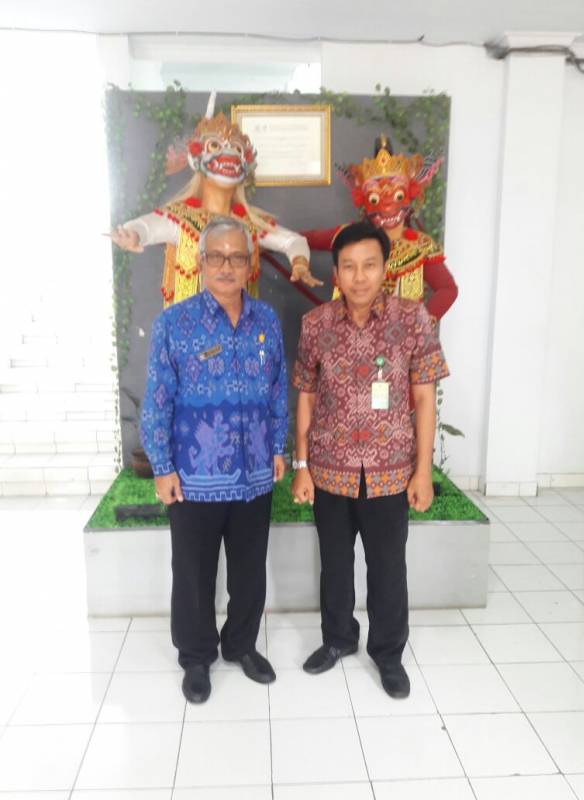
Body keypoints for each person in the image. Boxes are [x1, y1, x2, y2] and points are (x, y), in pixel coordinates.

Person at [291, 221, 449, 698]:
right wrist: (302, 466)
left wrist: (422, 471)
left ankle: (388, 653)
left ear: (385, 268)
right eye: (349, 266)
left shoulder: (414, 319)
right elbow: (306, 397)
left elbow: (424, 399)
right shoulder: (315, 325)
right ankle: (338, 639)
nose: (359, 277)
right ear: (336, 272)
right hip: (330, 470)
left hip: (390, 472)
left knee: (388, 567)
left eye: (369, 265)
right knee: (335, 565)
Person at [141, 215, 287, 703]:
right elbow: (157, 400)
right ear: (201, 262)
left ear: (250, 264)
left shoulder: (266, 321)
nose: (227, 266)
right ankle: (196, 656)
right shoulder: (174, 324)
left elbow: (278, 389)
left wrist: (278, 446)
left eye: (237, 257)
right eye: (217, 257)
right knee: (193, 573)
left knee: (249, 570)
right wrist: (162, 467)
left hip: (254, 475)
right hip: (193, 478)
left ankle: (241, 645)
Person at [111, 93, 321, 307]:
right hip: (190, 324)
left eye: (237, 149)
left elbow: (293, 241)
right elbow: (146, 227)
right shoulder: (181, 219)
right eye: (215, 146)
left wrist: (299, 263)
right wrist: (133, 234)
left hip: (238, 323)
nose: (228, 154)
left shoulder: (249, 223)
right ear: (197, 159)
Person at [303, 136, 457, 319]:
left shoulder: (421, 246)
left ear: (409, 196)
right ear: (365, 202)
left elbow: (447, 289)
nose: (387, 206)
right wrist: (277, 239)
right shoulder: (349, 236)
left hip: (402, 333)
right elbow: (307, 239)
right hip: (350, 330)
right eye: (375, 199)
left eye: (398, 197)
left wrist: (422, 323)